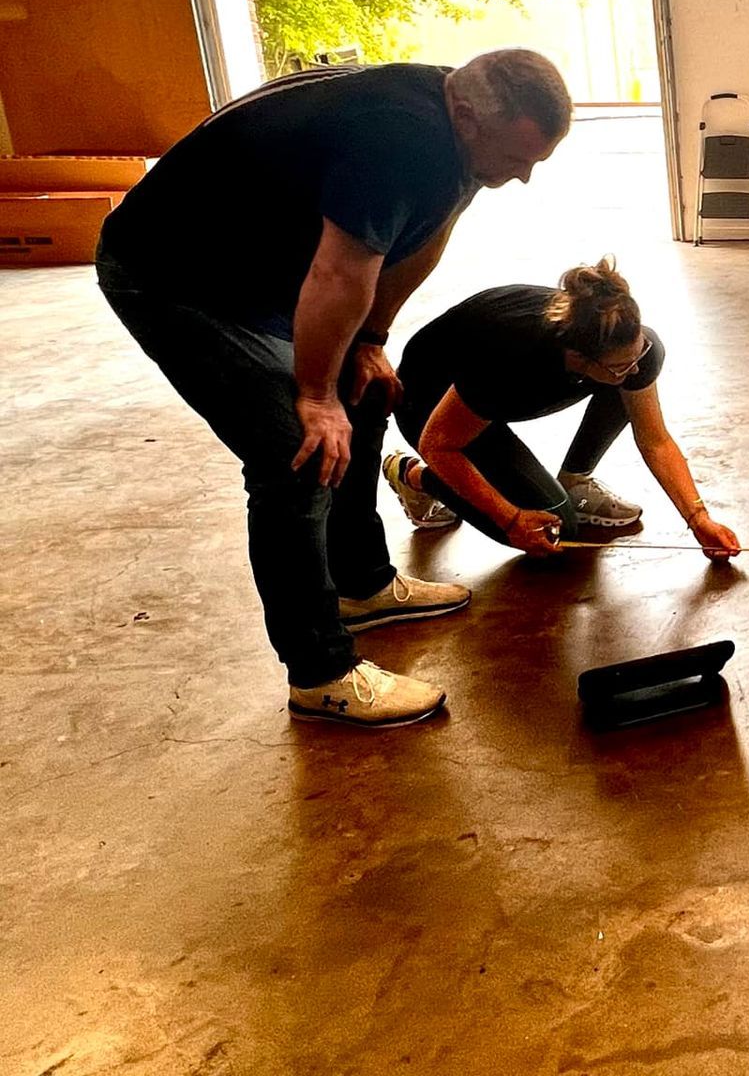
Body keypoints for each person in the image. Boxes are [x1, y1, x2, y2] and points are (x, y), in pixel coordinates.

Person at [97, 52, 573, 727]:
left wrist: (371, 339)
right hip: (173, 274)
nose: (523, 176)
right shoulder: (404, 139)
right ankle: (318, 673)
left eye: (538, 161)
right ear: (466, 117)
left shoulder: (463, 132)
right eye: (517, 157)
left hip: (261, 267)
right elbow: (340, 272)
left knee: (368, 389)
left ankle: (363, 585)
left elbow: (423, 238)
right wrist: (315, 397)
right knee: (295, 449)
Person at [382, 259, 741, 565]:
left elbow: (655, 440)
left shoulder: (624, 345)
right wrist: (510, 519)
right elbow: (439, 444)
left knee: (634, 374)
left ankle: (575, 479)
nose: (633, 369)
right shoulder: (515, 359)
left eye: (636, 353)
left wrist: (698, 518)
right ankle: (412, 477)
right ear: (578, 359)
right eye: (619, 366)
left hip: (484, 398)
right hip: (428, 401)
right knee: (555, 527)